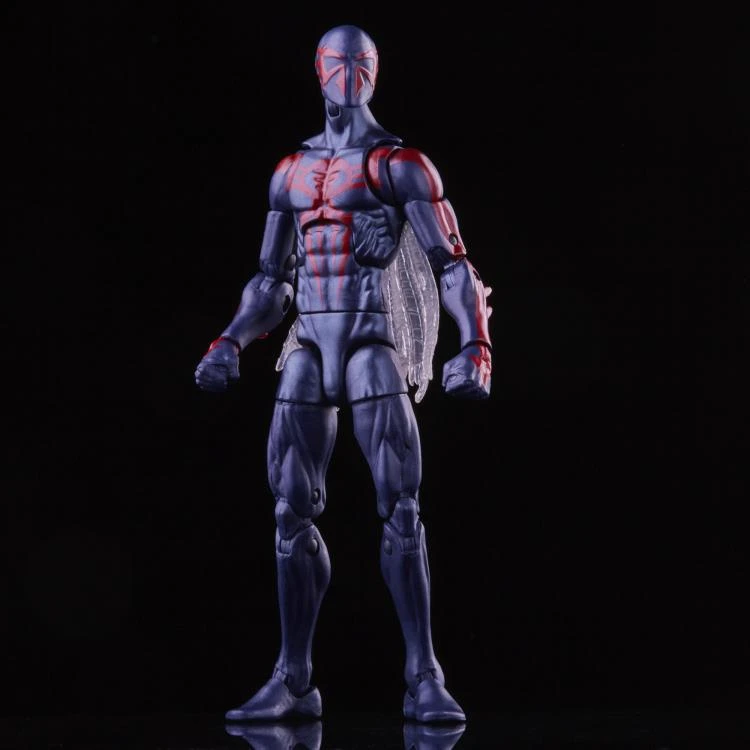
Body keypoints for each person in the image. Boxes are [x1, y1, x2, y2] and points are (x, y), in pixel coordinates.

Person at [195, 24, 492, 724]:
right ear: (318, 68)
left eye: (363, 62)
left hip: (368, 340)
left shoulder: (399, 166)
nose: (350, 73)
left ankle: (424, 676)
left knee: (402, 508)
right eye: (339, 61)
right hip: (306, 343)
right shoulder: (290, 172)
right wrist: (229, 340)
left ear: (376, 70)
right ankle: (294, 680)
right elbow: (271, 280)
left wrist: (476, 344)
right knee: (288, 512)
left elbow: (453, 265)